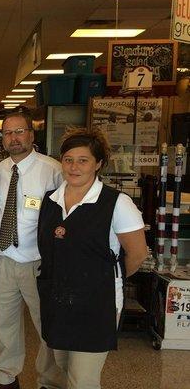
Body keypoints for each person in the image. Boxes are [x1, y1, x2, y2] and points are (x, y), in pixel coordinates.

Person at [37, 128, 148, 389]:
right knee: (57, 369)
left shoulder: (117, 203)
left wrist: (105, 280)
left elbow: (138, 254)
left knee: (82, 380)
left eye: (83, 160)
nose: (74, 167)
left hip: (96, 305)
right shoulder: (50, 200)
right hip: (56, 299)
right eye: (68, 159)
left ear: (98, 164)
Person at [0, 106, 64, 389]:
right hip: (6, 259)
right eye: (8, 133)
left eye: (19, 131)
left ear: (31, 134)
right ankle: (7, 376)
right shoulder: (0, 170)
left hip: (39, 262)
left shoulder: (52, 170)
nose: (14, 138)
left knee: (46, 325)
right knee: (5, 323)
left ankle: (48, 381)